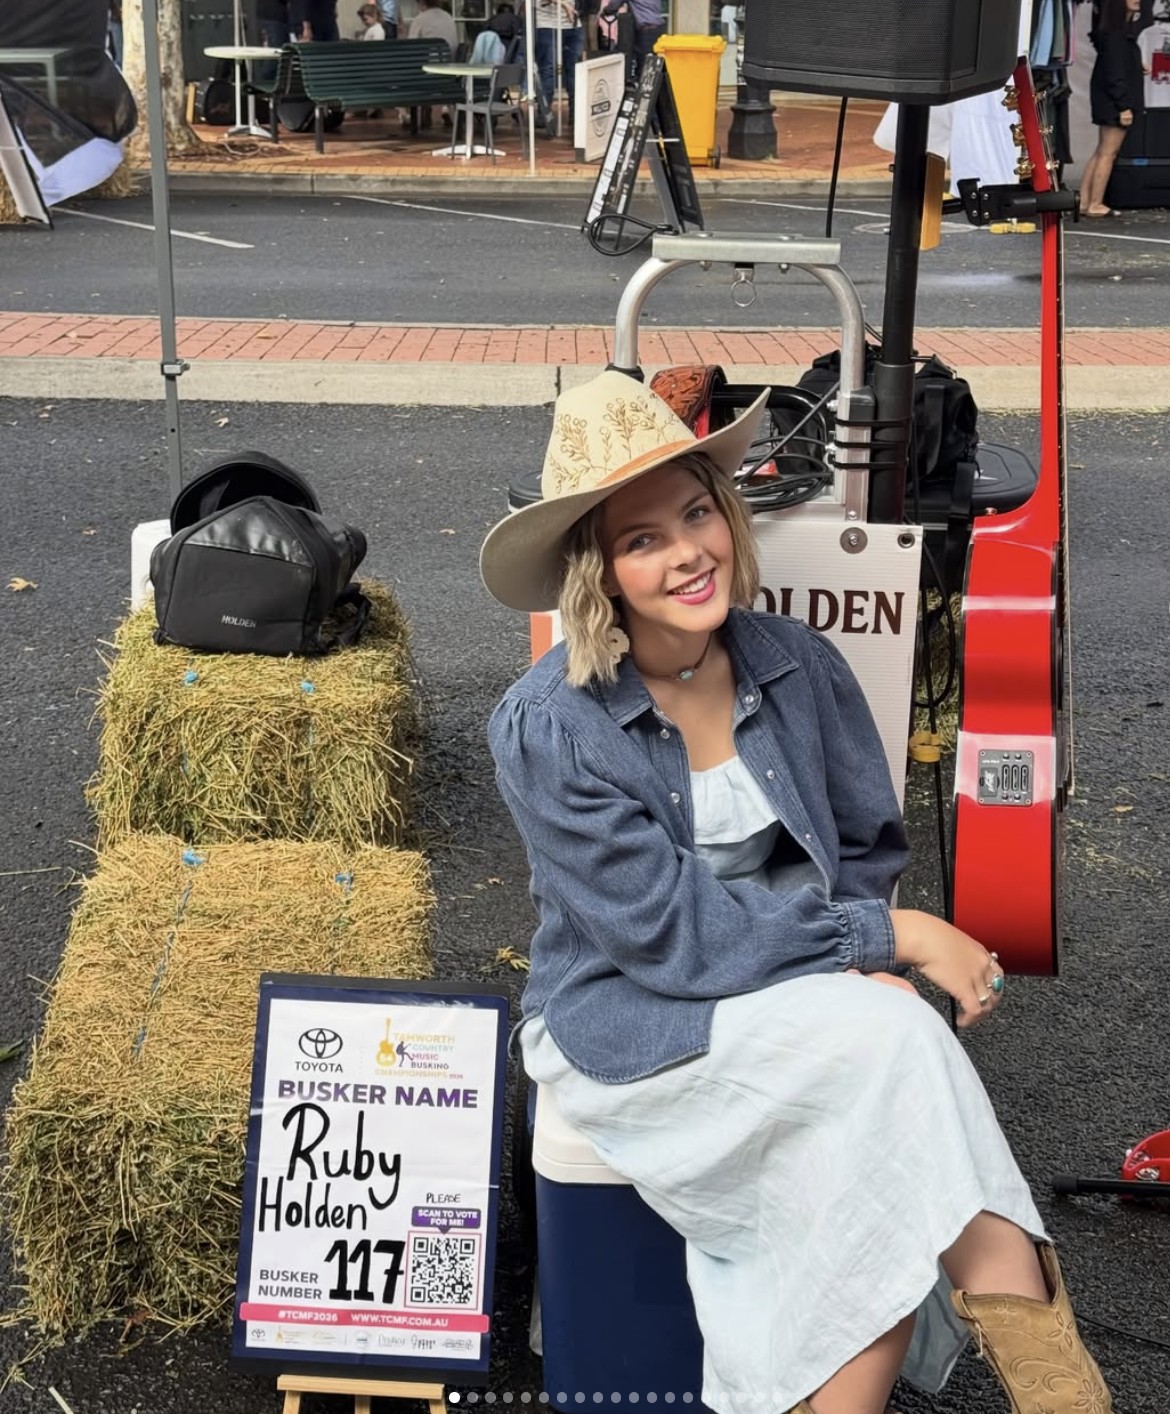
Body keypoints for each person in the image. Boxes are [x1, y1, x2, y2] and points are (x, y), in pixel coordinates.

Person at [479, 370, 1115, 1414]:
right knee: (899, 1059)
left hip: (794, 990)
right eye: (642, 540)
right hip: (635, 1018)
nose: (686, 553)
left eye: (696, 513)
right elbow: (668, 940)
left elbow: (863, 842)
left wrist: (860, 955)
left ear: (728, 513)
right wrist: (885, 938)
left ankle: (1010, 1373)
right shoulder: (551, 723)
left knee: (883, 1111)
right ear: (599, 571)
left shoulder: (793, 661)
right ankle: (1045, 1362)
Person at [1081, 0, 1144, 216]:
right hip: (1114, 101)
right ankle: (1095, 203)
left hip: (1108, 98)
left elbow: (1115, 64)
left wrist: (1137, 64)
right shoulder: (1115, 33)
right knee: (1109, 152)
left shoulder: (1114, 32)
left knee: (1101, 151)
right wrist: (1123, 106)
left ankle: (1085, 201)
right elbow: (1114, 73)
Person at [534, 0, 583, 131]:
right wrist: (564, 4)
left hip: (572, 24)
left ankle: (576, 114)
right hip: (547, 24)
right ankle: (544, 114)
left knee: (576, 71)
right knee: (548, 70)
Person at [600, 0, 663, 82]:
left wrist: (605, 11)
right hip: (658, 29)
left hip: (646, 30)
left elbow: (614, 5)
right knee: (654, 65)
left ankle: (641, 90)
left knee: (644, 66)